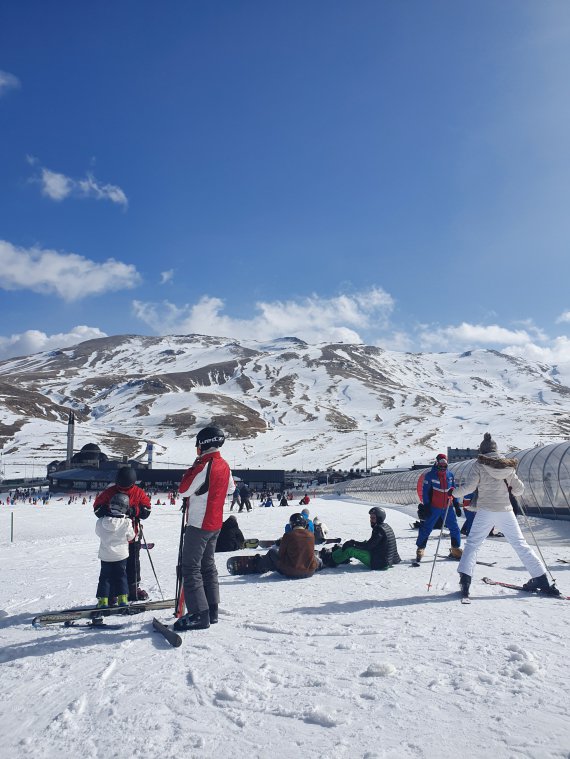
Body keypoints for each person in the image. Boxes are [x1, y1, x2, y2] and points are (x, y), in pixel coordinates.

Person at [453, 433, 560, 598]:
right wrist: (511, 489)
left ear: (482, 450)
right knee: (520, 544)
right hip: (505, 511)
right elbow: (519, 489)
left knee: (473, 544)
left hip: (486, 510)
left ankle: (465, 581)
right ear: (496, 449)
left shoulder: (479, 464)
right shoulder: (506, 466)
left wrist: (453, 493)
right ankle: (541, 579)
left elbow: (469, 488)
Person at [174, 426, 235, 631]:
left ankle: (199, 614)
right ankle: (212, 609)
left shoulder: (204, 465)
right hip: (216, 523)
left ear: (204, 444)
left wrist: (194, 470)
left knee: (191, 567)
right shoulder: (224, 464)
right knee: (208, 565)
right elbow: (231, 488)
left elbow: (183, 489)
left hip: (199, 524)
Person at [93, 467, 152, 601]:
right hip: (115, 538)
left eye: (126, 488)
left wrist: (133, 511)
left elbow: (147, 510)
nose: (122, 490)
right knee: (114, 567)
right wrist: (111, 511)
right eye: (120, 487)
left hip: (132, 536)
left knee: (133, 564)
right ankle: (112, 592)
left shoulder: (138, 492)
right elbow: (97, 509)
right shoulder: (110, 492)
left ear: (132, 484)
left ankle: (133, 589)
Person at [415, 453, 462, 562]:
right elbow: (425, 492)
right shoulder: (430, 475)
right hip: (434, 507)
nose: (442, 467)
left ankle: (455, 548)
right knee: (427, 527)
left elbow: (453, 490)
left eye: (444, 465)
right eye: (440, 465)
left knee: (454, 528)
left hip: (448, 507)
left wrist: (456, 504)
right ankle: (420, 548)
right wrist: (426, 506)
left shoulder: (450, 475)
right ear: (436, 463)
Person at [322, 507, 401, 569]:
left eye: (373, 518)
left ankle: (331, 560)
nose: (371, 520)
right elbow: (390, 546)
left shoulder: (378, 529)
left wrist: (353, 543)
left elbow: (369, 546)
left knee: (351, 550)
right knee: (362, 543)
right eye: (370, 518)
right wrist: (395, 560)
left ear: (379, 518)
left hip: (379, 563)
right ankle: (339, 555)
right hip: (385, 561)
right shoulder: (386, 527)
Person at [95, 493, 135, 608]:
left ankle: (103, 601)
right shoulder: (126, 522)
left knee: (105, 577)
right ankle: (122, 599)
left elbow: (98, 533)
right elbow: (131, 537)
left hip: (105, 555)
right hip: (120, 556)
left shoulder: (101, 521)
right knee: (121, 576)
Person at [254, 513, 321, 578]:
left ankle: (259, 566)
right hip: (310, 572)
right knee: (314, 553)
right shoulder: (311, 535)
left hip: (291, 572)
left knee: (272, 552)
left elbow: (281, 554)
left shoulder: (288, 535)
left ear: (292, 524)